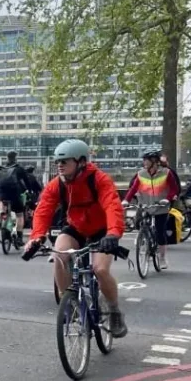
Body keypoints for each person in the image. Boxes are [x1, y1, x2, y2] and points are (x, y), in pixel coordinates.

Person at [24, 139, 128, 338]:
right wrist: (37, 237)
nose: (59, 166)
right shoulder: (57, 185)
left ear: (81, 162)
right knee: (59, 257)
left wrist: (113, 233)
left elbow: (112, 206)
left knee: (100, 269)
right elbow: (43, 210)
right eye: (57, 162)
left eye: (65, 161)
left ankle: (114, 311)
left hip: (102, 230)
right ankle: (69, 303)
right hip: (76, 228)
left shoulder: (99, 179)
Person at [123, 148, 179, 269]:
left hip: (161, 206)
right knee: (141, 223)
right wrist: (126, 200)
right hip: (146, 205)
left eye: (146, 160)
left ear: (154, 161)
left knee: (160, 231)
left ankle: (162, 257)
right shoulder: (141, 173)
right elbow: (133, 188)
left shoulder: (166, 173)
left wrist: (168, 199)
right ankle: (144, 240)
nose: (144, 162)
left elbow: (174, 189)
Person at [0, 151, 38, 244]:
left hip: (3, 195)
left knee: (6, 211)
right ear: (15, 158)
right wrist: (29, 191)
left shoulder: (1, 169)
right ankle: (19, 237)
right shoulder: (18, 169)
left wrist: (0, 197)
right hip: (14, 194)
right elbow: (26, 181)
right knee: (19, 215)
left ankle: (4, 219)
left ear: (7, 158)